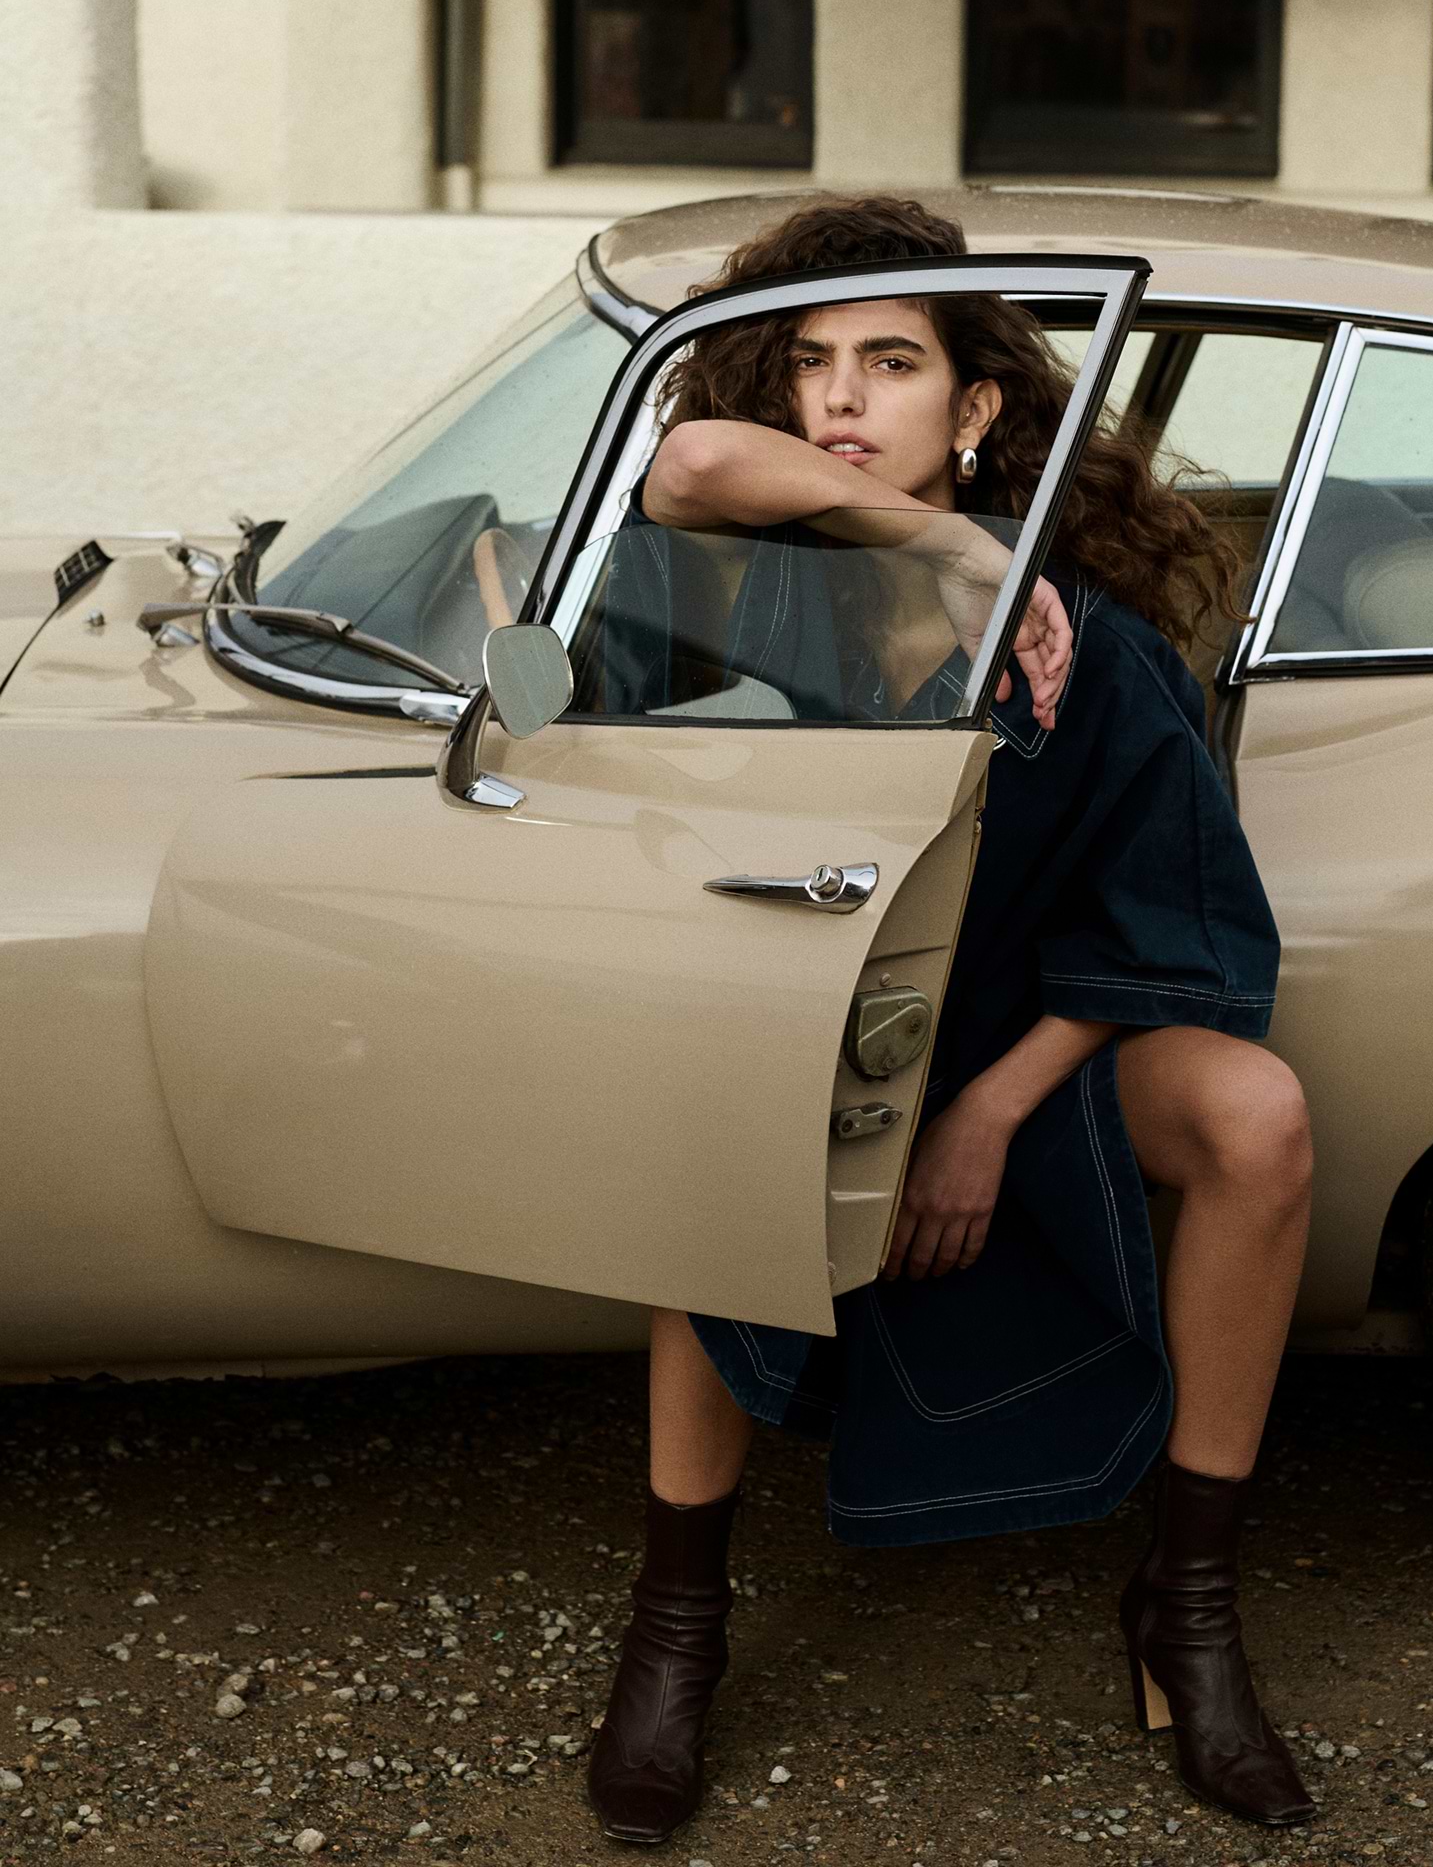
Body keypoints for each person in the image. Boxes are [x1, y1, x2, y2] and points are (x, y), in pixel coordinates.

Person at [583, 196, 1318, 1845]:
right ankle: (677, 1628)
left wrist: (986, 1112)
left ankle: (1191, 1609)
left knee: (1257, 1113)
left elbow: (1165, 918)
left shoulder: (1089, 644)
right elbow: (689, 465)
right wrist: (951, 548)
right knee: (710, 1106)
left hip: (1024, 1043)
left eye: (893, 362)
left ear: (975, 406)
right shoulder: (749, 584)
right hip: (799, 1022)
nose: (843, 395)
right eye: (809, 365)